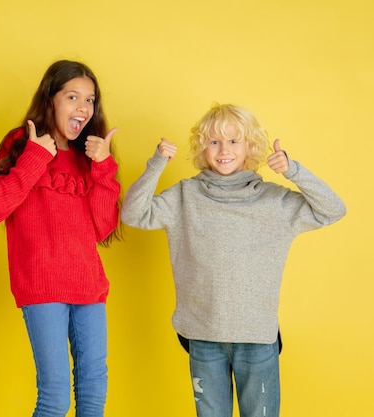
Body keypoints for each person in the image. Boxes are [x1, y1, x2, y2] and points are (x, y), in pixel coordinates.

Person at [121, 103, 346, 417]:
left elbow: (333, 209)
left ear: (250, 146)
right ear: (203, 148)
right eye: (214, 141)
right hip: (203, 336)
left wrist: (293, 170)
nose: (223, 149)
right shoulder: (185, 196)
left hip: (257, 336)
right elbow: (133, 214)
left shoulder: (274, 200)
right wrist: (157, 164)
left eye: (233, 141)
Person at [0, 60, 122, 417]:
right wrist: (35, 158)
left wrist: (104, 167)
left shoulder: (91, 155)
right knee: (54, 396)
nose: (82, 108)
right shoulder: (21, 145)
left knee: (93, 392)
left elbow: (103, 227)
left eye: (89, 100)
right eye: (72, 97)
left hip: (88, 286)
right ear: (51, 100)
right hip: (41, 287)